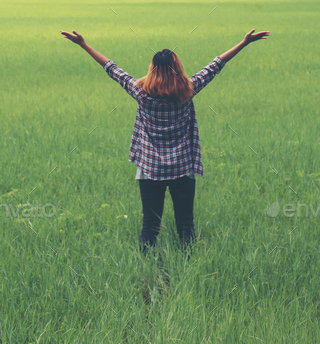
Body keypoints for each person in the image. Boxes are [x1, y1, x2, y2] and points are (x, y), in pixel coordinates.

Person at [60, 27, 270, 253]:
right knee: (185, 225)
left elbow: (111, 68)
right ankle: (188, 265)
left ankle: (146, 269)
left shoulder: (140, 92)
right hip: (183, 169)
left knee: (150, 226)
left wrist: (83, 44)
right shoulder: (188, 89)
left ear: (152, 70)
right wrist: (244, 43)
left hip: (150, 170)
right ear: (178, 69)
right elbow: (216, 64)